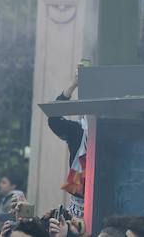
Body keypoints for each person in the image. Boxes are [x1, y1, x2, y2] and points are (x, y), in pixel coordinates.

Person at [50, 63, 89, 217]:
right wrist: (73, 85)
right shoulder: (77, 131)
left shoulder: (108, 129)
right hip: (79, 199)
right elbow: (54, 118)